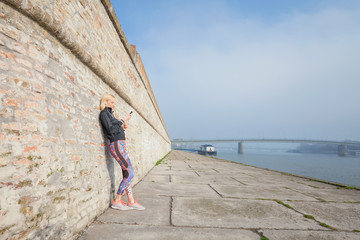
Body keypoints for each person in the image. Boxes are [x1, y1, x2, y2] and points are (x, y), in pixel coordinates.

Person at [99, 94, 145, 211]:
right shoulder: (104, 114)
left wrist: (122, 127)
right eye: (112, 102)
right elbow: (110, 130)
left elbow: (115, 128)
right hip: (116, 145)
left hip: (122, 146)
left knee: (126, 173)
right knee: (130, 173)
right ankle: (117, 200)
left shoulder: (110, 114)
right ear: (105, 102)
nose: (114, 104)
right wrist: (123, 120)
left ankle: (130, 201)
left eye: (114, 102)